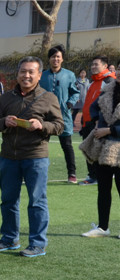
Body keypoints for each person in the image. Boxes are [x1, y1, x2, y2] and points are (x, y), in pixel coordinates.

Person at [0, 56, 64, 257]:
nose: (26, 75)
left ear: (39, 75)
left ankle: (37, 244)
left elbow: (59, 126)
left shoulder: (48, 97)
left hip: (35, 156)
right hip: (9, 156)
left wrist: (41, 125)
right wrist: (4, 121)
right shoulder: (5, 98)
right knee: (8, 200)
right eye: (23, 71)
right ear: (18, 74)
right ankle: (9, 238)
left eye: (31, 72)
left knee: (37, 201)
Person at [78, 74, 120, 238]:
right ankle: (103, 227)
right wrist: (96, 121)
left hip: (116, 144)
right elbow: (93, 107)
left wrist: (109, 130)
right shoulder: (108, 89)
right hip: (103, 147)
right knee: (103, 188)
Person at [40, 45, 80, 184]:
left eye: (58, 56)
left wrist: (70, 103)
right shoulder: (42, 75)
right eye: (53, 56)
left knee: (67, 146)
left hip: (63, 116)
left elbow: (75, 92)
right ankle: (37, 173)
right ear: (49, 59)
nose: (55, 59)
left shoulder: (69, 75)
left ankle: (72, 173)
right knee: (40, 145)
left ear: (62, 59)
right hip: (44, 116)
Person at [78, 55, 116, 186]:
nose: (93, 67)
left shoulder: (109, 81)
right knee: (89, 149)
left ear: (105, 66)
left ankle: (95, 176)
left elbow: (110, 104)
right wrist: (83, 121)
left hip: (98, 123)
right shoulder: (93, 82)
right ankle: (93, 175)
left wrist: (100, 121)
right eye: (92, 64)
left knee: (97, 150)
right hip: (87, 122)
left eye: (96, 64)